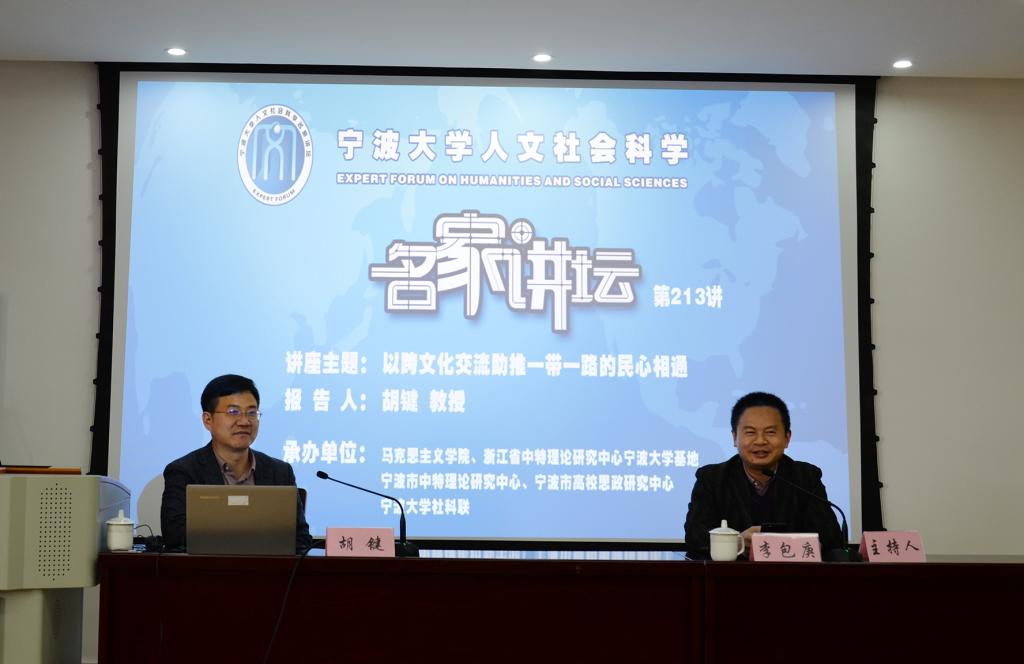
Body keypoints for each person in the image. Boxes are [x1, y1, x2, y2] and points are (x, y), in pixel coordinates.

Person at [160, 374, 312, 553]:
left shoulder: (280, 472)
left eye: (252, 413)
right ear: (207, 420)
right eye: (233, 412)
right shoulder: (184, 472)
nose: (244, 421)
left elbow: (301, 539)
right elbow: (175, 536)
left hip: (268, 570)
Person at [684, 391, 844, 560]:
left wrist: (779, 542)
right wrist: (735, 542)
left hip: (793, 574)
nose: (760, 441)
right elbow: (695, 536)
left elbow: (830, 537)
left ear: (787, 438)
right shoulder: (712, 479)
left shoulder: (805, 478)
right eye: (750, 432)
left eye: (770, 432)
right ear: (735, 437)